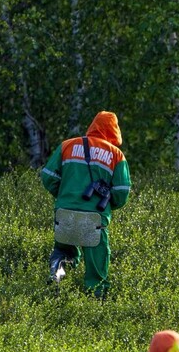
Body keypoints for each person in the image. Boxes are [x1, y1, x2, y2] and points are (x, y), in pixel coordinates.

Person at [40, 111, 131, 297]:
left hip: (64, 212)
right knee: (97, 268)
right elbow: (122, 192)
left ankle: (57, 273)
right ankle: (96, 299)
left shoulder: (67, 145)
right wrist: (107, 203)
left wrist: (64, 195)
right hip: (95, 218)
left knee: (64, 251)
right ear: (114, 130)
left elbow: (48, 177)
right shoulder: (116, 155)